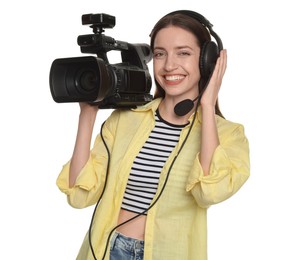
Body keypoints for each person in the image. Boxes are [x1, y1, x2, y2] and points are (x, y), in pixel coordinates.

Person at [56, 10, 250, 260]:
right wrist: (87, 115)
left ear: (208, 61)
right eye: (160, 54)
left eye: (183, 53)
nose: (169, 65)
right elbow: (80, 196)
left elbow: (209, 192)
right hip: (107, 249)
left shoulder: (229, 134)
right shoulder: (126, 119)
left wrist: (207, 105)